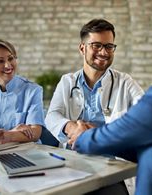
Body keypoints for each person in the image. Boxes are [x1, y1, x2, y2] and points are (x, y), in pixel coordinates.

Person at [71, 29, 152, 195]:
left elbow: (97, 140)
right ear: (83, 49)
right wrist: (101, 135)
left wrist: (82, 136)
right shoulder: (69, 80)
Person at [45, 19, 144, 147]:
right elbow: (51, 116)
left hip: (111, 159)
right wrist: (72, 128)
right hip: (72, 158)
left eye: (109, 46)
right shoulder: (67, 81)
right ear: (82, 49)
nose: (104, 52)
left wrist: (98, 134)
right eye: (96, 45)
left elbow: (145, 114)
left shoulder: (125, 82)